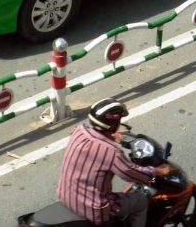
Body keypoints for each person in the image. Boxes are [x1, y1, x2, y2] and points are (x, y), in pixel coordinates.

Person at [58, 97, 172, 227]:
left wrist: (111, 136)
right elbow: (131, 173)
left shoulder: (78, 131)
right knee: (141, 201)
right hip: (93, 209)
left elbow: (94, 143)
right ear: (113, 125)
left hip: (66, 196)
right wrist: (158, 171)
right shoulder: (111, 152)